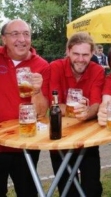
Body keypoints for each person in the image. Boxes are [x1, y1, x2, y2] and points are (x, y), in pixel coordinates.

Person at [49, 32, 104, 197]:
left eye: (85, 54)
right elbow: (54, 103)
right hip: (61, 136)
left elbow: (95, 104)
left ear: (92, 54)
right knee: (66, 187)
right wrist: (77, 111)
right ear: (68, 51)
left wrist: (87, 112)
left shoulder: (97, 70)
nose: (81, 59)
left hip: (88, 138)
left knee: (92, 185)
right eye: (76, 54)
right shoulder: (56, 67)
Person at [0, 19, 50, 196]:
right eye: (15, 34)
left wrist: (36, 91)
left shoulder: (42, 65)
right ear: (4, 39)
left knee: (28, 192)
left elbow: (41, 113)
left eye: (26, 34)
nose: (22, 39)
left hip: (26, 143)